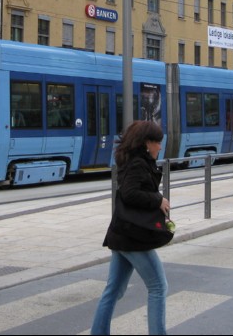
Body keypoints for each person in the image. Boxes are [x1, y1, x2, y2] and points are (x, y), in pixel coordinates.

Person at [91, 121, 170, 335]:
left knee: (113, 290)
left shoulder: (133, 161)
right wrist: (158, 199)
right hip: (133, 236)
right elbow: (130, 193)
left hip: (122, 234)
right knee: (158, 287)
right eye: (157, 143)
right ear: (147, 143)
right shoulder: (137, 164)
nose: (160, 148)